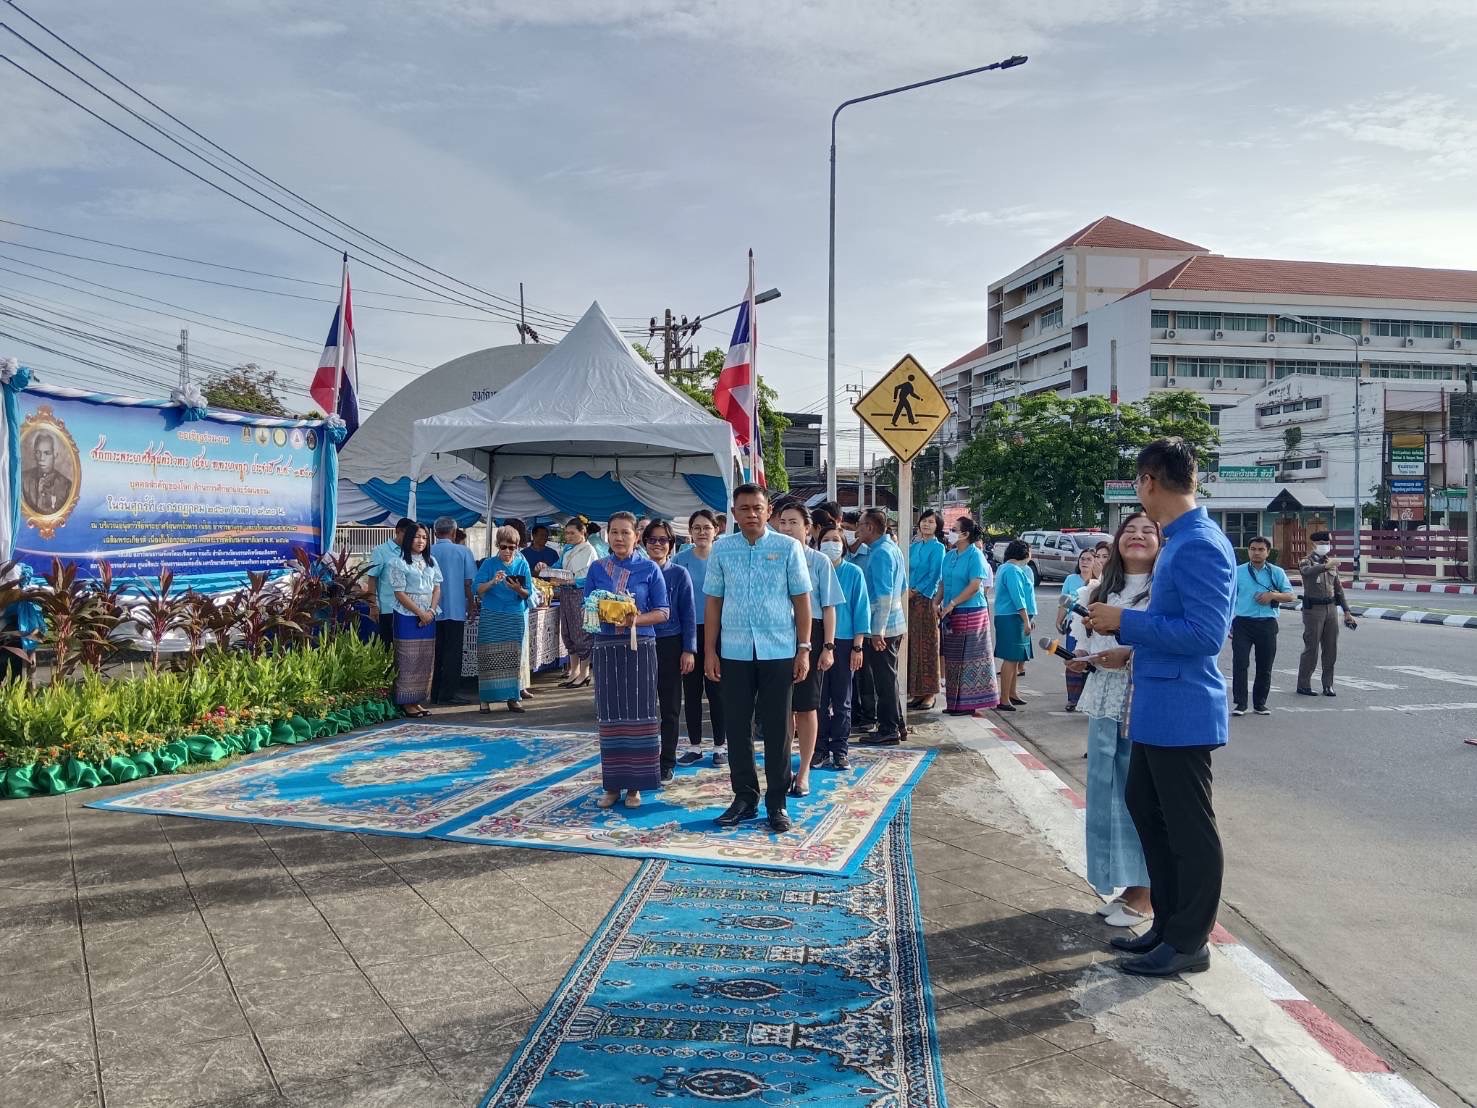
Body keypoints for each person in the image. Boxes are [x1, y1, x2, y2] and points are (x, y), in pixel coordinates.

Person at [1087, 438, 1235, 978]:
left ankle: (1190, 940)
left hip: (1183, 708)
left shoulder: (1199, 543)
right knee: (1148, 810)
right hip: (1156, 702)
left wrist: (1123, 621)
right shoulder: (1181, 540)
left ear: (1149, 480)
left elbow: (1205, 634)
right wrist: (1130, 645)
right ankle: (1169, 928)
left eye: (1138, 483)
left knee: (1188, 829)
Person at [1069, 512, 1160, 929]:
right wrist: (1081, 661)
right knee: (1106, 790)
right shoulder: (1097, 591)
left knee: (1134, 792)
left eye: (1148, 531)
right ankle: (1124, 884)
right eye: (1130, 531)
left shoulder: (1162, 590)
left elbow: (1165, 640)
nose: (1138, 537)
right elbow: (1087, 644)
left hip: (1139, 699)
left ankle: (1145, 891)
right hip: (1104, 696)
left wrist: (1129, 656)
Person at [704, 484, 812, 833]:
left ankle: (776, 802)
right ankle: (744, 797)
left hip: (779, 650)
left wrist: (804, 648)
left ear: (769, 513)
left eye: (757, 508)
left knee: (779, 728)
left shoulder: (788, 548)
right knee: (736, 726)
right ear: (733, 514)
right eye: (744, 508)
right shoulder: (722, 550)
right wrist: (710, 650)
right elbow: (713, 602)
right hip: (734, 652)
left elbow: (801, 601)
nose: (751, 514)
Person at [586, 512, 669, 810]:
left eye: (625, 533)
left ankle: (636, 785)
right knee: (609, 715)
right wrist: (602, 613)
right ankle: (612, 784)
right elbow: (588, 611)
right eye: (614, 533)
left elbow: (663, 612)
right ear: (607, 536)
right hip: (607, 647)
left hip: (641, 647)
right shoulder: (597, 568)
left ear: (636, 536)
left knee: (639, 715)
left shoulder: (649, 568)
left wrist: (634, 619)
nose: (619, 538)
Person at [774, 503, 840, 796]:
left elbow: (828, 608)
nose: (786, 528)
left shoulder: (819, 562)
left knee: (807, 706)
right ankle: (783, 768)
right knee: (781, 707)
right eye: (782, 522)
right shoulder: (772, 557)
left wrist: (828, 646)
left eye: (793, 522)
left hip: (809, 636)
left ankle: (803, 774)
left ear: (808, 528)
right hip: (775, 635)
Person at [643, 519, 696, 784]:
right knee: (641, 706)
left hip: (671, 643)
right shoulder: (636, 572)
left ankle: (667, 761)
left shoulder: (678, 573)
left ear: (671, 544)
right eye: (652, 539)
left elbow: (688, 614)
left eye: (663, 540)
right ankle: (642, 758)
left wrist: (689, 649)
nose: (657, 544)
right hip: (640, 643)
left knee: (670, 707)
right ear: (644, 543)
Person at [674, 510, 726, 767]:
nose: (702, 532)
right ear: (690, 532)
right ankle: (694, 746)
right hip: (689, 631)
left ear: (716, 530)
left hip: (720, 632)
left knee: (717, 691)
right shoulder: (680, 560)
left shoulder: (725, 557)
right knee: (691, 692)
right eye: (697, 528)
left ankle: (720, 746)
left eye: (707, 527)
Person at [815, 522, 869, 770]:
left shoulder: (854, 573)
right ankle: (819, 748)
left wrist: (858, 647)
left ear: (844, 545)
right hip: (817, 639)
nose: (831, 545)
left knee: (842, 699)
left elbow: (861, 610)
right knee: (818, 699)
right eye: (826, 540)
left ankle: (840, 750)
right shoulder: (813, 570)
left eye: (836, 540)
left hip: (845, 641)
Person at [939, 517, 999, 716]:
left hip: (971, 611)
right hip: (950, 611)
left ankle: (968, 704)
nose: (950, 533)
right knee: (953, 658)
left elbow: (974, 586)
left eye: (954, 530)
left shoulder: (975, 556)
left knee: (971, 658)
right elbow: (943, 583)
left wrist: (953, 603)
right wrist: (935, 602)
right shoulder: (950, 555)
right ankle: (954, 702)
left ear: (965, 534)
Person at [856, 508, 906, 746]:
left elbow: (884, 596)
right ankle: (897, 724)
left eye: (860, 525)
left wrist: (878, 631)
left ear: (870, 528)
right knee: (889, 679)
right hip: (893, 624)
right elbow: (903, 586)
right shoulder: (891, 549)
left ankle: (888, 728)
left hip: (883, 629)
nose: (856, 530)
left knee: (884, 681)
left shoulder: (881, 553)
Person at [474, 526, 534, 713]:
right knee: (489, 656)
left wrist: (518, 589)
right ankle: (485, 699)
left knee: (512, 656)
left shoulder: (522, 564)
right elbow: (477, 589)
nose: (507, 551)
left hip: (514, 614)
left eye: (512, 547)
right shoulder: (489, 564)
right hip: (492, 614)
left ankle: (512, 697)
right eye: (503, 547)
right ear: (497, 546)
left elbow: (528, 594)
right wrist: (493, 582)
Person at [1233, 537, 1296, 715]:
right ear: (1248, 551)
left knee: (1264, 666)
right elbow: (1229, 598)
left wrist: (1272, 595)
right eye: (1253, 549)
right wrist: (1229, 621)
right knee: (1240, 663)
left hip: (1267, 624)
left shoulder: (1276, 572)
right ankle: (1240, 704)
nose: (1256, 552)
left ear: (1268, 552)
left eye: (1261, 549)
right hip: (1243, 623)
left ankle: (1260, 704)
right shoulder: (1238, 572)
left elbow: (1290, 596)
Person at [386, 524, 442, 717]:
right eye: (417, 537)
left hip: (429, 614)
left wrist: (431, 611)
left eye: (424, 538)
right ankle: (405, 701)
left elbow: (437, 588)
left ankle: (417, 699)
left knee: (425, 657)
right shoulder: (398, 562)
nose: (421, 541)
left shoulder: (431, 561)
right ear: (409, 538)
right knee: (407, 657)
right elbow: (399, 593)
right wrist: (420, 612)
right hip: (407, 615)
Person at [1297, 530, 1356, 697]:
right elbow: (1307, 572)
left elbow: (1338, 589)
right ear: (1314, 544)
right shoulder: (1305, 561)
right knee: (1312, 648)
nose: (1325, 546)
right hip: (1313, 610)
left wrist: (1346, 611)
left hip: (1331, 609)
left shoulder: (1331, 563)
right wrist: (1325, 566)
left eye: (1327, 543)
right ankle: (1303, 684)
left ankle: (1328, 685)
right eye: (1321, 543)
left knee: (1331, 648)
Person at [430, 516, 477, 706]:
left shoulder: (428, 551)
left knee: (435, 652)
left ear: (434, 533)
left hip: (431, 610)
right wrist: (472, 605)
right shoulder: (463, 551)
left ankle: (433, 691)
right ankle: (449, 693)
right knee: (453, 652)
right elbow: (468, 583)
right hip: (456, 609)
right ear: (454, 532)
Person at [907, 510, 946, 711]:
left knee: (928, 646)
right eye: (924, 520)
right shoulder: (913, 547)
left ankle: (930, 693)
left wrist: (917, 591)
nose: (926, 524)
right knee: (913, 646)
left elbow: (934, 576)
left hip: (926, 600)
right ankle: (917, 692)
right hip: (908, 600)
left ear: (937, 526)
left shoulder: (938, 548)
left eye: (931, 522)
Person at [993, 540, 1036, 712]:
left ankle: (1012, 693)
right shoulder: (1012, 570)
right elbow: (1018, 597)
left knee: (1016, 657)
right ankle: (1004, 698)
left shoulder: (1010, 569)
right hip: (1012, 617)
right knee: (1011, 658)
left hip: (1015, 616)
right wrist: (1026, 619)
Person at [556, 518, 597, 689]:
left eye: (572, 533)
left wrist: (572, 582)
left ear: (583, 532)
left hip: (580, 594)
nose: (569, 536)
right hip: (565, 593)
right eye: (567, 533)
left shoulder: (589, 551)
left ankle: (584, 672)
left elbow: (589, 577)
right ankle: (573, 671)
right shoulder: (567, 549)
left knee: (581, 632)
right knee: (567, 632)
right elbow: (558, 566)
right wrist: (545, 567)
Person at [1059, 548, 1100, 712]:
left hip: (1093, 625)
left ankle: (1087, 699)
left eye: (1088, 559)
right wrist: (1059, 619)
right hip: (1074, 625)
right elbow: (1064, 601)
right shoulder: (1071, 579)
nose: (1084, 562)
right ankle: (1073, 699)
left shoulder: (1098, 581)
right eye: (1082, 559)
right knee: (1073, 660)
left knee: (1090, 661)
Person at [365, 517, 414, 646]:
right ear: (398, 531)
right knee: (388, 647)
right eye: (408, 534)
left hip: (410, 609)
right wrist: (373, 606)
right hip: (388, 609)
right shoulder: (381, 551)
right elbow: (372, 579)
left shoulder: (412, 552)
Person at [22, 430, 72, 514]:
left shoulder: (66, 486)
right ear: (34, 454)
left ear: (55, 455)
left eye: (47, 453)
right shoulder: (23, 480)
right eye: (38, 452)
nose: (42, 458)